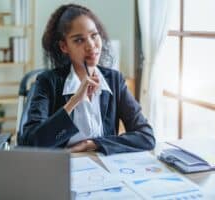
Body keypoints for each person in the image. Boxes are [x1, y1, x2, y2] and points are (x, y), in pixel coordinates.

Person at [21, 3, 155, 155]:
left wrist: (93, 144)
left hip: (102, 168)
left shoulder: (114, 80)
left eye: (94, 35)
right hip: (62, 166)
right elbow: (32, 143)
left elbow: (146, 136)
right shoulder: (47, 81)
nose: (91, 46)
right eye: (79, 40)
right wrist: (74, 101)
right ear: (64, 46)